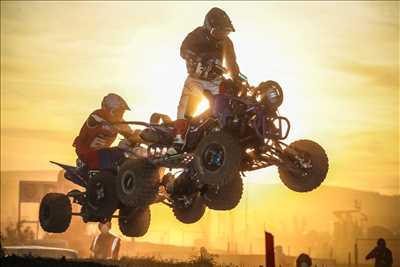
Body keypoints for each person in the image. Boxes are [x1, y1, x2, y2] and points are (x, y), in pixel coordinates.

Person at [174, 7, 242, 145]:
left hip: (215, 81)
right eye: (218, 31)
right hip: (195, 80)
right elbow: (183, 50)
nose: (221, 34)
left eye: (225, 31)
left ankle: (224, 130)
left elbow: (232, 63)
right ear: (208, 26)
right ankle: (178, 140)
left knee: (231, 99)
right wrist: (199, 58)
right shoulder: (197, 34)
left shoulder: (227, 42)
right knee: (184, 108)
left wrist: (236, 78)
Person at [73, 93, 142, 171]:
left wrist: (142, 136)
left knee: (129, 151)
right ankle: (85, 164)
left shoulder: (118, 122)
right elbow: (107, 125)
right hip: (87, 153)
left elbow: (131, 134)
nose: (120, 115)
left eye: (122, 112)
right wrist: (120, 129)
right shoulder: (96, 116)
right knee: (118, 151)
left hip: (101, 155)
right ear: (107, 109)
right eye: (117, 112)